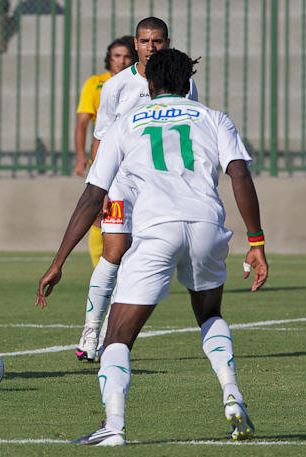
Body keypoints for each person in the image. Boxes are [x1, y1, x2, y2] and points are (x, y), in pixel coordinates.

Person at [36, 48, 268, 445]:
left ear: (149, 83)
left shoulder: (126, 124)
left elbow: (93, 195)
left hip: (157, 230)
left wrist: (59, 260)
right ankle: (231, 394)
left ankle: (114, 426)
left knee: (118, 337)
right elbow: (240, 174)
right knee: (209, 314)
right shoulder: (214, 118)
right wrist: (256, 241)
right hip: (207, 225)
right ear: (187, 83)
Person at [75, 17, 199, 362]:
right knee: (113, 253)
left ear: (167, 42)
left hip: (160, 186)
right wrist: (97, 191)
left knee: (138, 260)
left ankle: (113, 335)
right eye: (144, 42)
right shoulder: (116, 86)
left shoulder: (184, 84)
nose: (150, 48)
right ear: (135, 43)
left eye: (157, 42)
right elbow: (101, 139)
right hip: (122, 184)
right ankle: (90, 331)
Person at [74, 35, 137, 268]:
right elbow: (82, 122)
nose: (121, 61)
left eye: (126, 56)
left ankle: (127, 270)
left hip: (132, 158)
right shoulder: (96, 84)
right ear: (109, 58)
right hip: (103, 156)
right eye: (116, 56)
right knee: (100, 213)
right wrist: (81, 157)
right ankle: (100, 271)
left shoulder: (140, 83)